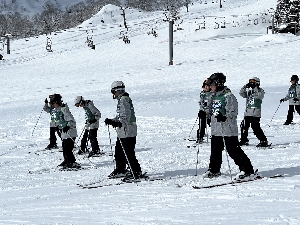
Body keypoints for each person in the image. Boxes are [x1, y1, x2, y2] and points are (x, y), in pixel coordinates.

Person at [203, 72, 256, 181]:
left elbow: (233, 112)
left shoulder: (228, 96)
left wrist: (225, 116)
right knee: (215, 150)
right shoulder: (212, 96)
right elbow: (209, 108)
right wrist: (204, 113)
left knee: (233, 150)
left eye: (212, 84)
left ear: (218, 84)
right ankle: (214, 170)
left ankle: (247, 170)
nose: (210, 87)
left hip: (228, 129)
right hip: (216, 129)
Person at [104, 81, 144, 180]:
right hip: (123, 132)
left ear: (118, 90)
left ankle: (136, 171)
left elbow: (126, 117)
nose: (113, 94)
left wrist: (118, 123)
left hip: (128, 131)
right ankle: (121, 169)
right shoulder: (121, 100)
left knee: (128, 153)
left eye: (113, 92)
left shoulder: (124, 100)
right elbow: (121, 116)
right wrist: (112, 121)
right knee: (118, 152)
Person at [50, 94, 79, 169]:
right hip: (65, 133)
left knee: (67, 148)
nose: (53, 105)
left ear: (56, 102)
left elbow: (72, 121)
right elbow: (61, 121)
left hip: (70, 133)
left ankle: (71, 162)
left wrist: (68, 126)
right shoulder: (59, 110)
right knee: (65, 147)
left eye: (53, 103)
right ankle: (67, 160)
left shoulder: (64, 110)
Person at [239, 77, 269, 147]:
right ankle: (244, 140)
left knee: (255, 127)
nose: (251, 84)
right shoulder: (250, 92)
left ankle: (263, 140)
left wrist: (255, 87)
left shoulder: (260, 91)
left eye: (253, 82)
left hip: (255, 113)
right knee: (244, 126)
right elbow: (241, 94)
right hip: (248, 112)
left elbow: (260, 96)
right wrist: (245, 86)